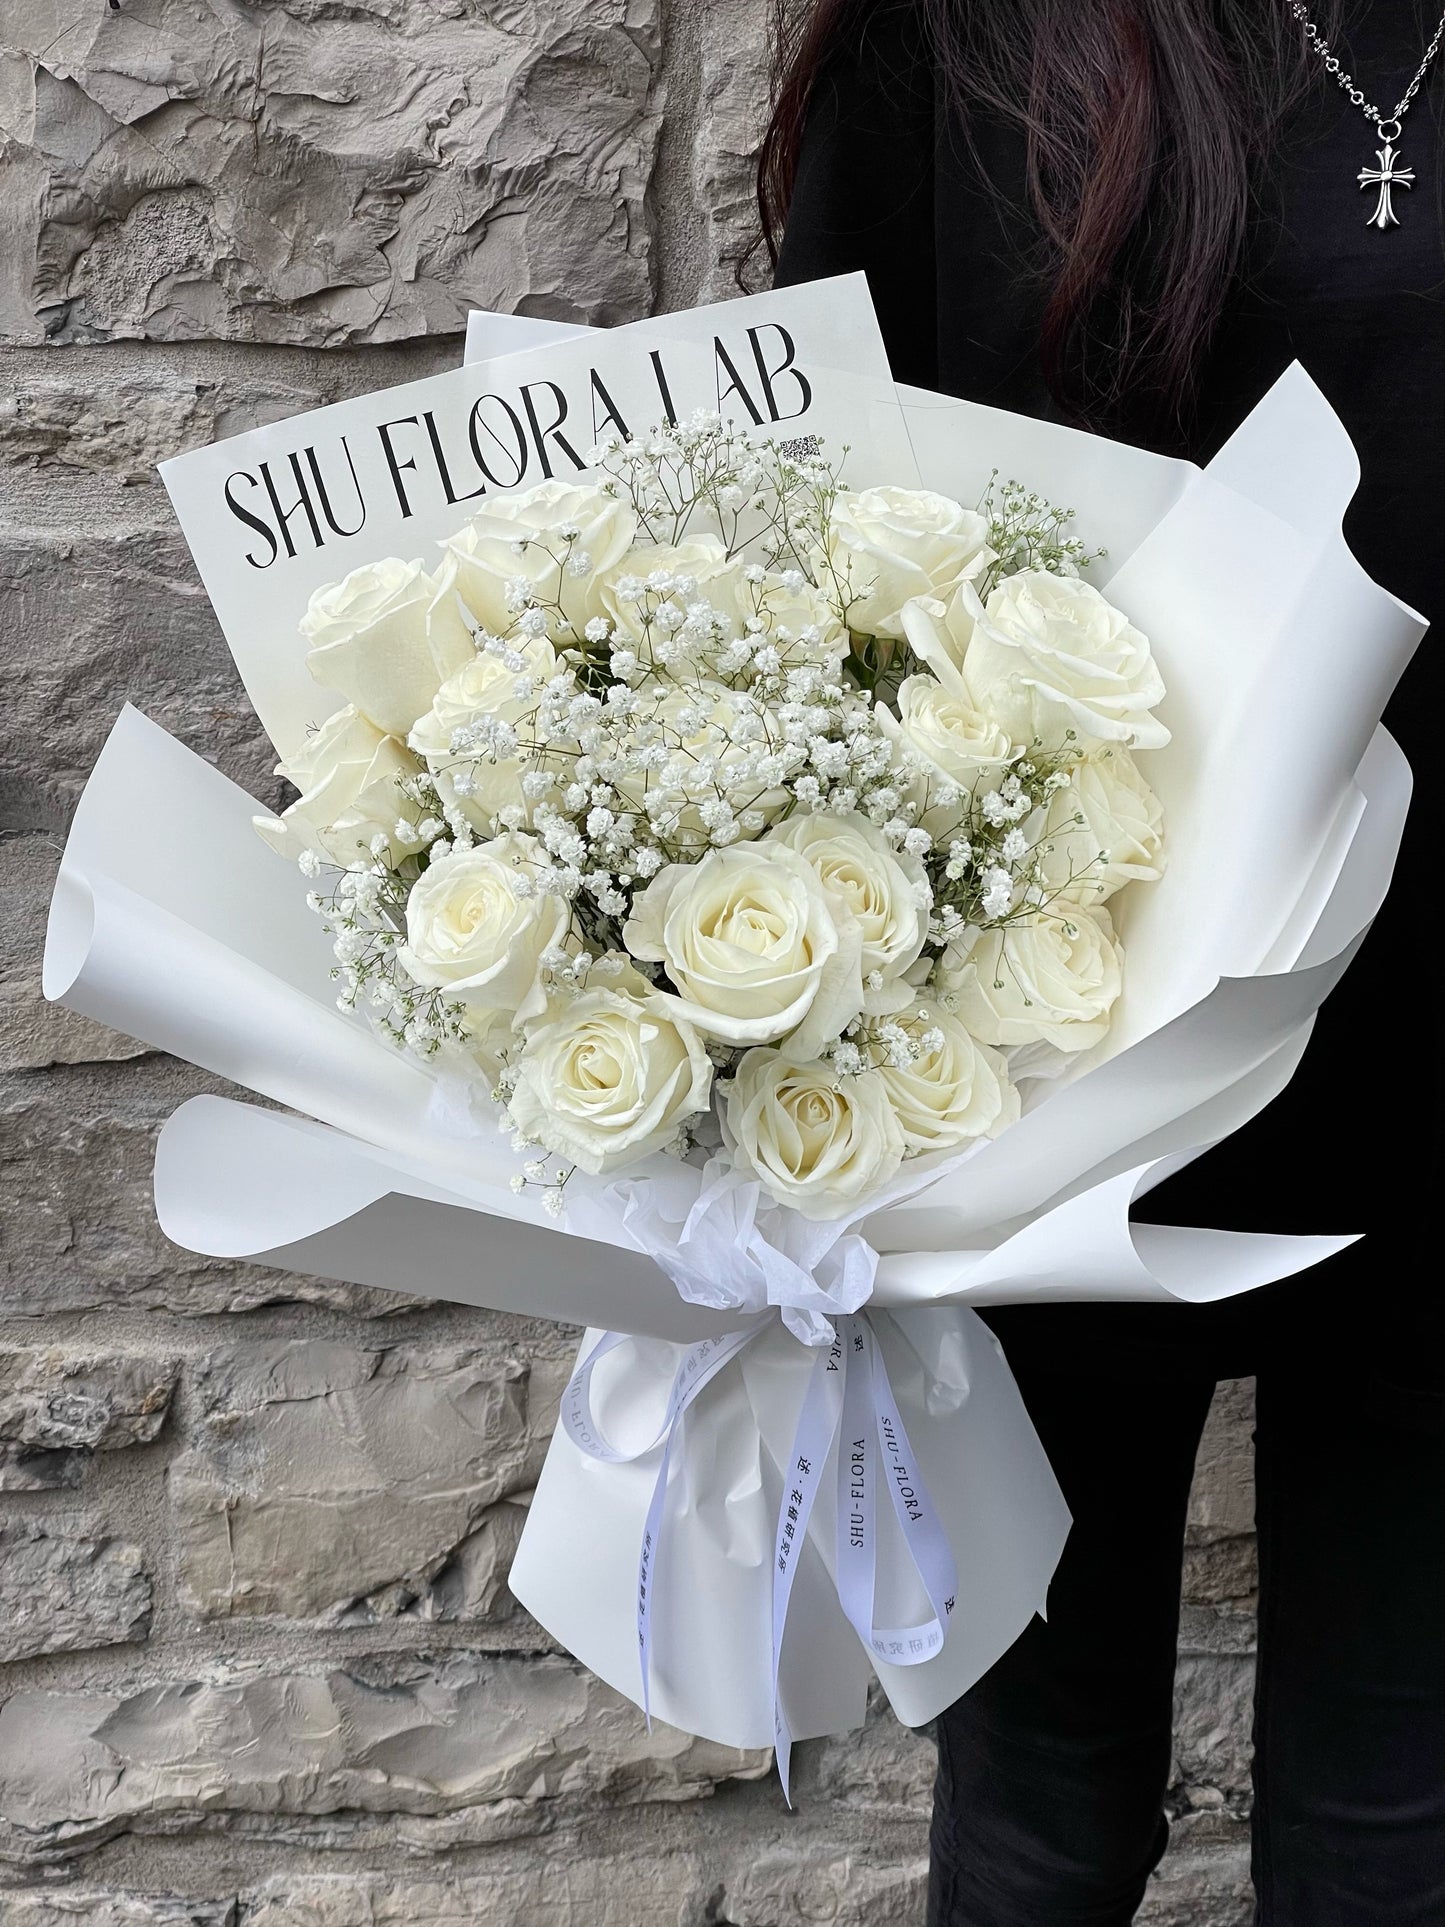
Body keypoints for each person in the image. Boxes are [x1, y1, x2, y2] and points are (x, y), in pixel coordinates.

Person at [761, 3, 1444, 1922]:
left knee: (1399, 1838)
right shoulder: (967, 36)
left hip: (1438, 1100)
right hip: (1053, 1097)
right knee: (1042, 1819)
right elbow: (808, 546)